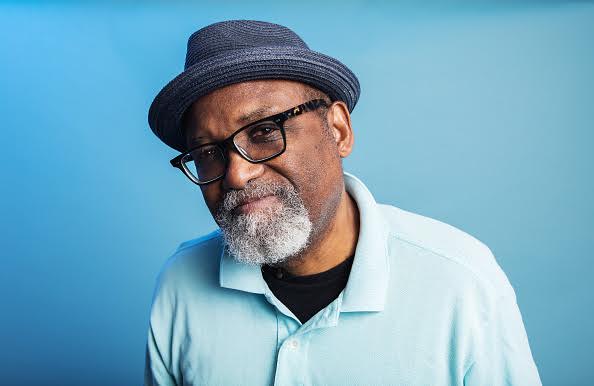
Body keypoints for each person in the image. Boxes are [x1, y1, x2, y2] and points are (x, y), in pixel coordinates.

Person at [144, 20, 541, 386]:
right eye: (209, 152)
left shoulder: (460, 282)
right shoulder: (181, 283)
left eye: (264, 131)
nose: (237, 175)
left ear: (338, 130)